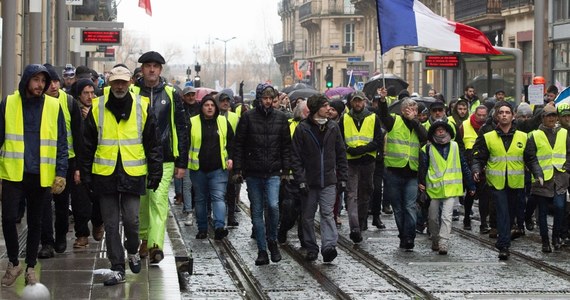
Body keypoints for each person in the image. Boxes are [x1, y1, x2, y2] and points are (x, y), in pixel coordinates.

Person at [82, 66, 162, 286]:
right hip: (105, 173)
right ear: (109, 83)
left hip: (132, 172)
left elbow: (152, 143)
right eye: (115, 82)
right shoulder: (97, 106)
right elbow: (87, 144)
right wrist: (86, 173)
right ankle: (117, 266)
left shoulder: (142, 106)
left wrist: (156, 170)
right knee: (110, 224)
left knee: (131, 220)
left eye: (123, 82)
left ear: (129, 83)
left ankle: (133, 250)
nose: (119, 86)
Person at [0, 64, 68, 286]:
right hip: (13, 172)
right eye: (36, 80)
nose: (40, 85)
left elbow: (61, 143)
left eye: (43, 81)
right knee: (9, 218)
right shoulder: (8, 103)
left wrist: (61, 172)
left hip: (41, 173)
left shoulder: (53, 105)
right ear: (27, 80)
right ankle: (14, 262)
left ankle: (30, 266)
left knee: (36, 222)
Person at [133, 51, 189, 264]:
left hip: (165, 157)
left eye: (155, 66)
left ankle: (156, 244)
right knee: (142, 201)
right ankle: (144, 238)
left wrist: (181, 161)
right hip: (138, 156)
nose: (152, 70)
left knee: (158, 200)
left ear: (160, 69)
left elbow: (181, 127)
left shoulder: (171, 93)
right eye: (148, 66)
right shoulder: (133, 91)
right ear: (143, 69)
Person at [472, 101, 543, 260]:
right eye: (501, 112)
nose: (504, 115)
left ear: (513, 116)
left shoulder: (523, 137)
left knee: (511, 215)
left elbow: (531, 158)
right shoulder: (488, 136)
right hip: (496, 183)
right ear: (497, 116)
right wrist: (476, 169)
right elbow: (479, 157)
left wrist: (537, 173)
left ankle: (504, 238)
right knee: (503, 212)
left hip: (516, 182)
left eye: (507, 112)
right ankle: (504, 246)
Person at [233, 83, 291, 266]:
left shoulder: (281, 118)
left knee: (273, 206)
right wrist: (238, 169)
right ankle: (262, 250)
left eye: (270, 98)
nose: (267, 101)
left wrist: (286, 170)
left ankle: (272, 239)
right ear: (259, 99)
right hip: (253, 172)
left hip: (273, 171)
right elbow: (239, 144)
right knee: (257, 211)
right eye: (265, 98)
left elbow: (286, 146)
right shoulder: (248, 118)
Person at [291, 94, 348, 262]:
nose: (328, 109)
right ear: (316, 109)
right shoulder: (303, 129)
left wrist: (342, 177)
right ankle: (311, 246)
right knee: (307, 216)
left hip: (329, 180)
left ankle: (329, 246)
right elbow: (296, 157)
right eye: (325, 106)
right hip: (309, 181)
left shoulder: (333, 127)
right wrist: (300, 179)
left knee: (327, 213)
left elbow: (341, 153)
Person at [37, 64, 84, 259]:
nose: (54, 86)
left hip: (67, 160)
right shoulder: (37, 102)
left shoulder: (70, 102)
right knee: (44, 203)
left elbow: (78, 135)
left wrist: (79, 167)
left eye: (56, 81)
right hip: (42, 161)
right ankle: (46, 242)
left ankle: (61, 236)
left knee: (62, 202)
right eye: (50, 82)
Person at [378, 90, 428, 251]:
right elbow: (383, 115)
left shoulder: (417, 125)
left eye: (414, 109)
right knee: (398, 208)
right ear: (402, 110)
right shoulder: (394, 122)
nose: (411, 112)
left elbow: (424, 137)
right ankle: (403, 235)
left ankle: (409, 236)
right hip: (394, 171)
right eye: (408, 109)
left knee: (410, 206)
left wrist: (414, 121)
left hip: (412, 173)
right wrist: (383, 100)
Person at [419, 121, 475, 255]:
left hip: (451, 189)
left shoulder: (455, 146)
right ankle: (435, 238)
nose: (440, 132)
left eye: (443, 130)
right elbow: (422, 168)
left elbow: (464, 166)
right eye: (437, 130)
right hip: (433, 189)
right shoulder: (427, 149)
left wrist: (471, 185)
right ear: (433, 133)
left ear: (448, 132)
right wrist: (421, 183)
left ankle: (443, 242)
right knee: (432, 218)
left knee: (446, 216)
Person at [339, 91, 383, 243]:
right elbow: (339, 139)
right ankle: (355, 227)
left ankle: (362, 220)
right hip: (350, 161)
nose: (357, 104)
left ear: (364, 102)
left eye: (360, 101)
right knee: (352, 194)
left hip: (367, 161)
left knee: (365, 193)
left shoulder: (372, 117)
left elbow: (378, 139)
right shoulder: (344, 118)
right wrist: (349, 149)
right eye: (355, 101)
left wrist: (364, 149)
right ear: (351, 102)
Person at [526, 105, 570, 252]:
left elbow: (569, 152)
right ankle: (545, 241)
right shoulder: (534, 135)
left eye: (554, 115)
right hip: (542, 179)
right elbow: (530, 157)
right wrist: (537, 172)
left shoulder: (564, 133)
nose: (551, 118)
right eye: (548, 116)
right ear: (542, 118)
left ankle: (556, 237)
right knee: (543, 212)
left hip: (560, 178)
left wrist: (567, 168)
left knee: (560, 207)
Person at [189, 94, 233, 239]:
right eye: (206, 105)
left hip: (218, 169)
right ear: (201, 107)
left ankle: (219, 226)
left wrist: (231, 159)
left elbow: (231, 142)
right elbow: (185, 143)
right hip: (198, 169)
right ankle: (202, 228)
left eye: (212, 105)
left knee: (218, 197)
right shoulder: (192, 122)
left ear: (216, 107)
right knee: (200, 200)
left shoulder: (223, 122)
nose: (209, 108)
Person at [73, 79, 105, 242]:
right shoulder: (74, 109)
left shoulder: (100, 109)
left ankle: (98, 223)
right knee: (80, 200)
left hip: (99, 162)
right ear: (79, 95)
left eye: (92, 93)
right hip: (80, 160)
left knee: (98, 198)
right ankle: (82, 234)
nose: (90, 96)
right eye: (86, 93)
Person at [459, 105, 491, 232]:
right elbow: (459, 144)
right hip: (469, 164)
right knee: (470, 193)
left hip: (484, 163)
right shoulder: (464, 125)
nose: (482, 118)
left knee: (484, 195)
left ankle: (484, 222)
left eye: (484, 115)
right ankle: (467, 217)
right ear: (474, 114)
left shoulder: (489, 128)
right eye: (479, 115)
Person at [217, 92, 240, 226]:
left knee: (231, 188)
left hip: (230, 157)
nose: (225, 103)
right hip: (215, 158)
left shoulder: (234, 117)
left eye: (227, 101)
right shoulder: (213, 114)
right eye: (223, 100)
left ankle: (231, 216)